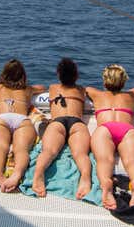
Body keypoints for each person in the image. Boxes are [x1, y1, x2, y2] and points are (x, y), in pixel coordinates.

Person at [31, 58, 92, 199]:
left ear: (58, 75)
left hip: (57, 123)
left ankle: (38, 175)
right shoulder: (81, 89)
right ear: (76, 75)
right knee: (80, 155)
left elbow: (39, 88)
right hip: (76, 123)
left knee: (49, 152)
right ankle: (85, 178)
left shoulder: (53, 88)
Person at [86, 65, 134, 209]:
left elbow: (85, 89)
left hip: (105, 130)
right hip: (127, 130)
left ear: (105, 82)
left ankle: (106, 188)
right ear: (124, 82)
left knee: (105, 160)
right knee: (132, 161)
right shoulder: (130, 95)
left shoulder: (96, 94)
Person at [0, 59, 45, 193]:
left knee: (0, 148)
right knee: (21, 150)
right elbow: (42, 87)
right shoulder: (28, 89)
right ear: (23, 76)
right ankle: (17, 174)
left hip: (2, 119)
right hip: (22, 120)